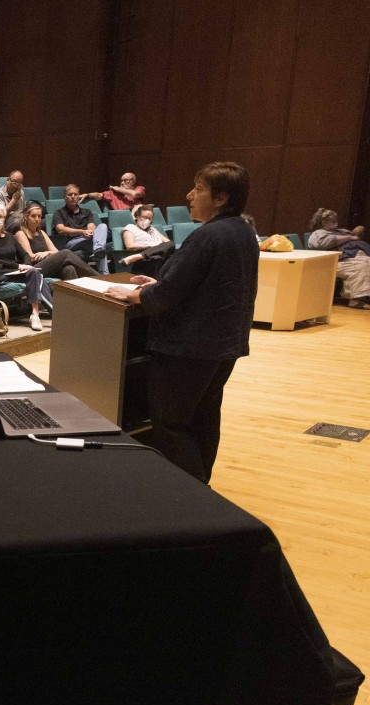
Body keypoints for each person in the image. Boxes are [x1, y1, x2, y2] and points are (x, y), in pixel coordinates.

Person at [103, 162, 258, 484]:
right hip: (225, 345)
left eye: (199, 189)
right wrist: (158, 281)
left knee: (171, 424)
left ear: (220, 198)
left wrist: (133, 294)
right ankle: (204, 489)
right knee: (204, 416)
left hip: (189, 347)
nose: (189, 195)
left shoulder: (207, 236)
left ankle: (193, 496)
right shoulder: (242, 230)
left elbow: (169, 294)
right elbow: (204, 282)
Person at [0, 201, 49, 331]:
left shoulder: (11, 238)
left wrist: (27, 265)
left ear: (5, 219)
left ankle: (35, 314)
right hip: (1, 275)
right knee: (37, 276)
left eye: (0, 217)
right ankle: (53, 311)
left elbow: (25, 254)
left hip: (16, 273)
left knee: (35, 273)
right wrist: (17, 265)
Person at [15, 202, 101, 280]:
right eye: (33, 216)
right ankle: (98, 278)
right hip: (33, 269)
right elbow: (31, 257)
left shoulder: (41, 232)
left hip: (47, 265)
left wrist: (47, 253)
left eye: (39, 216)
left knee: (69, 268)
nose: (37, 219)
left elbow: (55, 251)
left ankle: (74, 296)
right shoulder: (21, 233)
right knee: (66, 253)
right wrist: (49, 254)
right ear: (26, 217)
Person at [306, 208, 370, 308]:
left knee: (366, 260)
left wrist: (358, 230)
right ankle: (356, 299)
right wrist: (348, 237)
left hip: (352, 256)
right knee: (361, 265)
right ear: (323, 222)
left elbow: (355, 235)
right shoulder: (318, 233)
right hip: (333, 261)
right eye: (332, 221)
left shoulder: (341, 231)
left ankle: (366, 296)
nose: (335, 223)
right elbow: (319, 244)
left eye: (336, 221)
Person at [53, 183, 109, 273]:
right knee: (100, 244)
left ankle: (98, 250)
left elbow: (91, 226)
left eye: (75, 194)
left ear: (79, 196)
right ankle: (105, 273)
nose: (73, 197)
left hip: (87, 239)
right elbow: (60, 229)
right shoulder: (59, 213)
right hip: (71, 242)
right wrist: (82, 232)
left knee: (103, 226)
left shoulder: (87, 212)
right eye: (70, 194)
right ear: (65, 197)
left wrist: (89, 232)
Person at [120, 204, 175, 270]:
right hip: (146, 255)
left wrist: (157, 248)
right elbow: (129, 245)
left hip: (155, 254)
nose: (147, 220)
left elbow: (167, 242)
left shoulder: (152, 228)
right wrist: (150, 246)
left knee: (171, 244)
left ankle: (139, 256)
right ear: (137, 216)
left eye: (150, 219)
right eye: (145, 217)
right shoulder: (130, 227)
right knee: (157, 258)